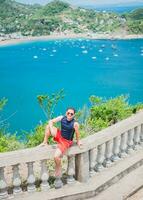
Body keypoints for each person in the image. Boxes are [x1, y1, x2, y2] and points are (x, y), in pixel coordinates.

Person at [39, 107, 82, 188]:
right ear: (66, 113)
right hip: (60, 136)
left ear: (74, 115)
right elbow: (51, 121)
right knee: (48, 126)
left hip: (66, 142)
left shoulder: (75, 123)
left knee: (56, 156)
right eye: (68, 113)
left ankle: (59, 167)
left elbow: (77, 133)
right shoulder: (62, 118)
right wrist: (51, 126)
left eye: (71, 114)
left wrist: (79, 141)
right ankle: (45, 142)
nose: (69, 115)